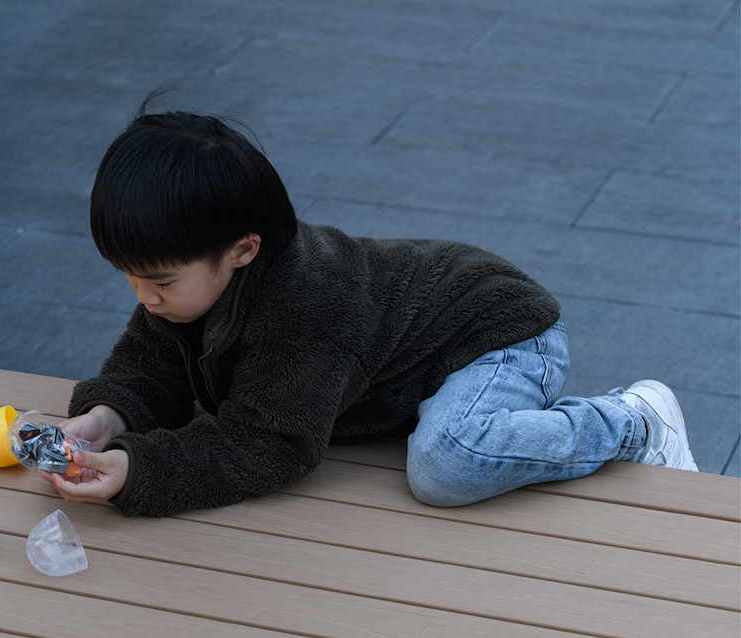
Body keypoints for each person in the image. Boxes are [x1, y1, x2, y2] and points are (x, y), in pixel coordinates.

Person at [45, 111, 694, 518]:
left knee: (445, 463)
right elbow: (149, 365)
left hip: (501, 333)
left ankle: (631, 421)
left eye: (156, 281)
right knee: (438, 443)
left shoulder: (302, 308)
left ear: (242, 250)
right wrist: (108, 417)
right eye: (128, 276)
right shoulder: (193, 282)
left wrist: (140, 468)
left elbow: (270, 445)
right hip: (416, 356)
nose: (142, 297)